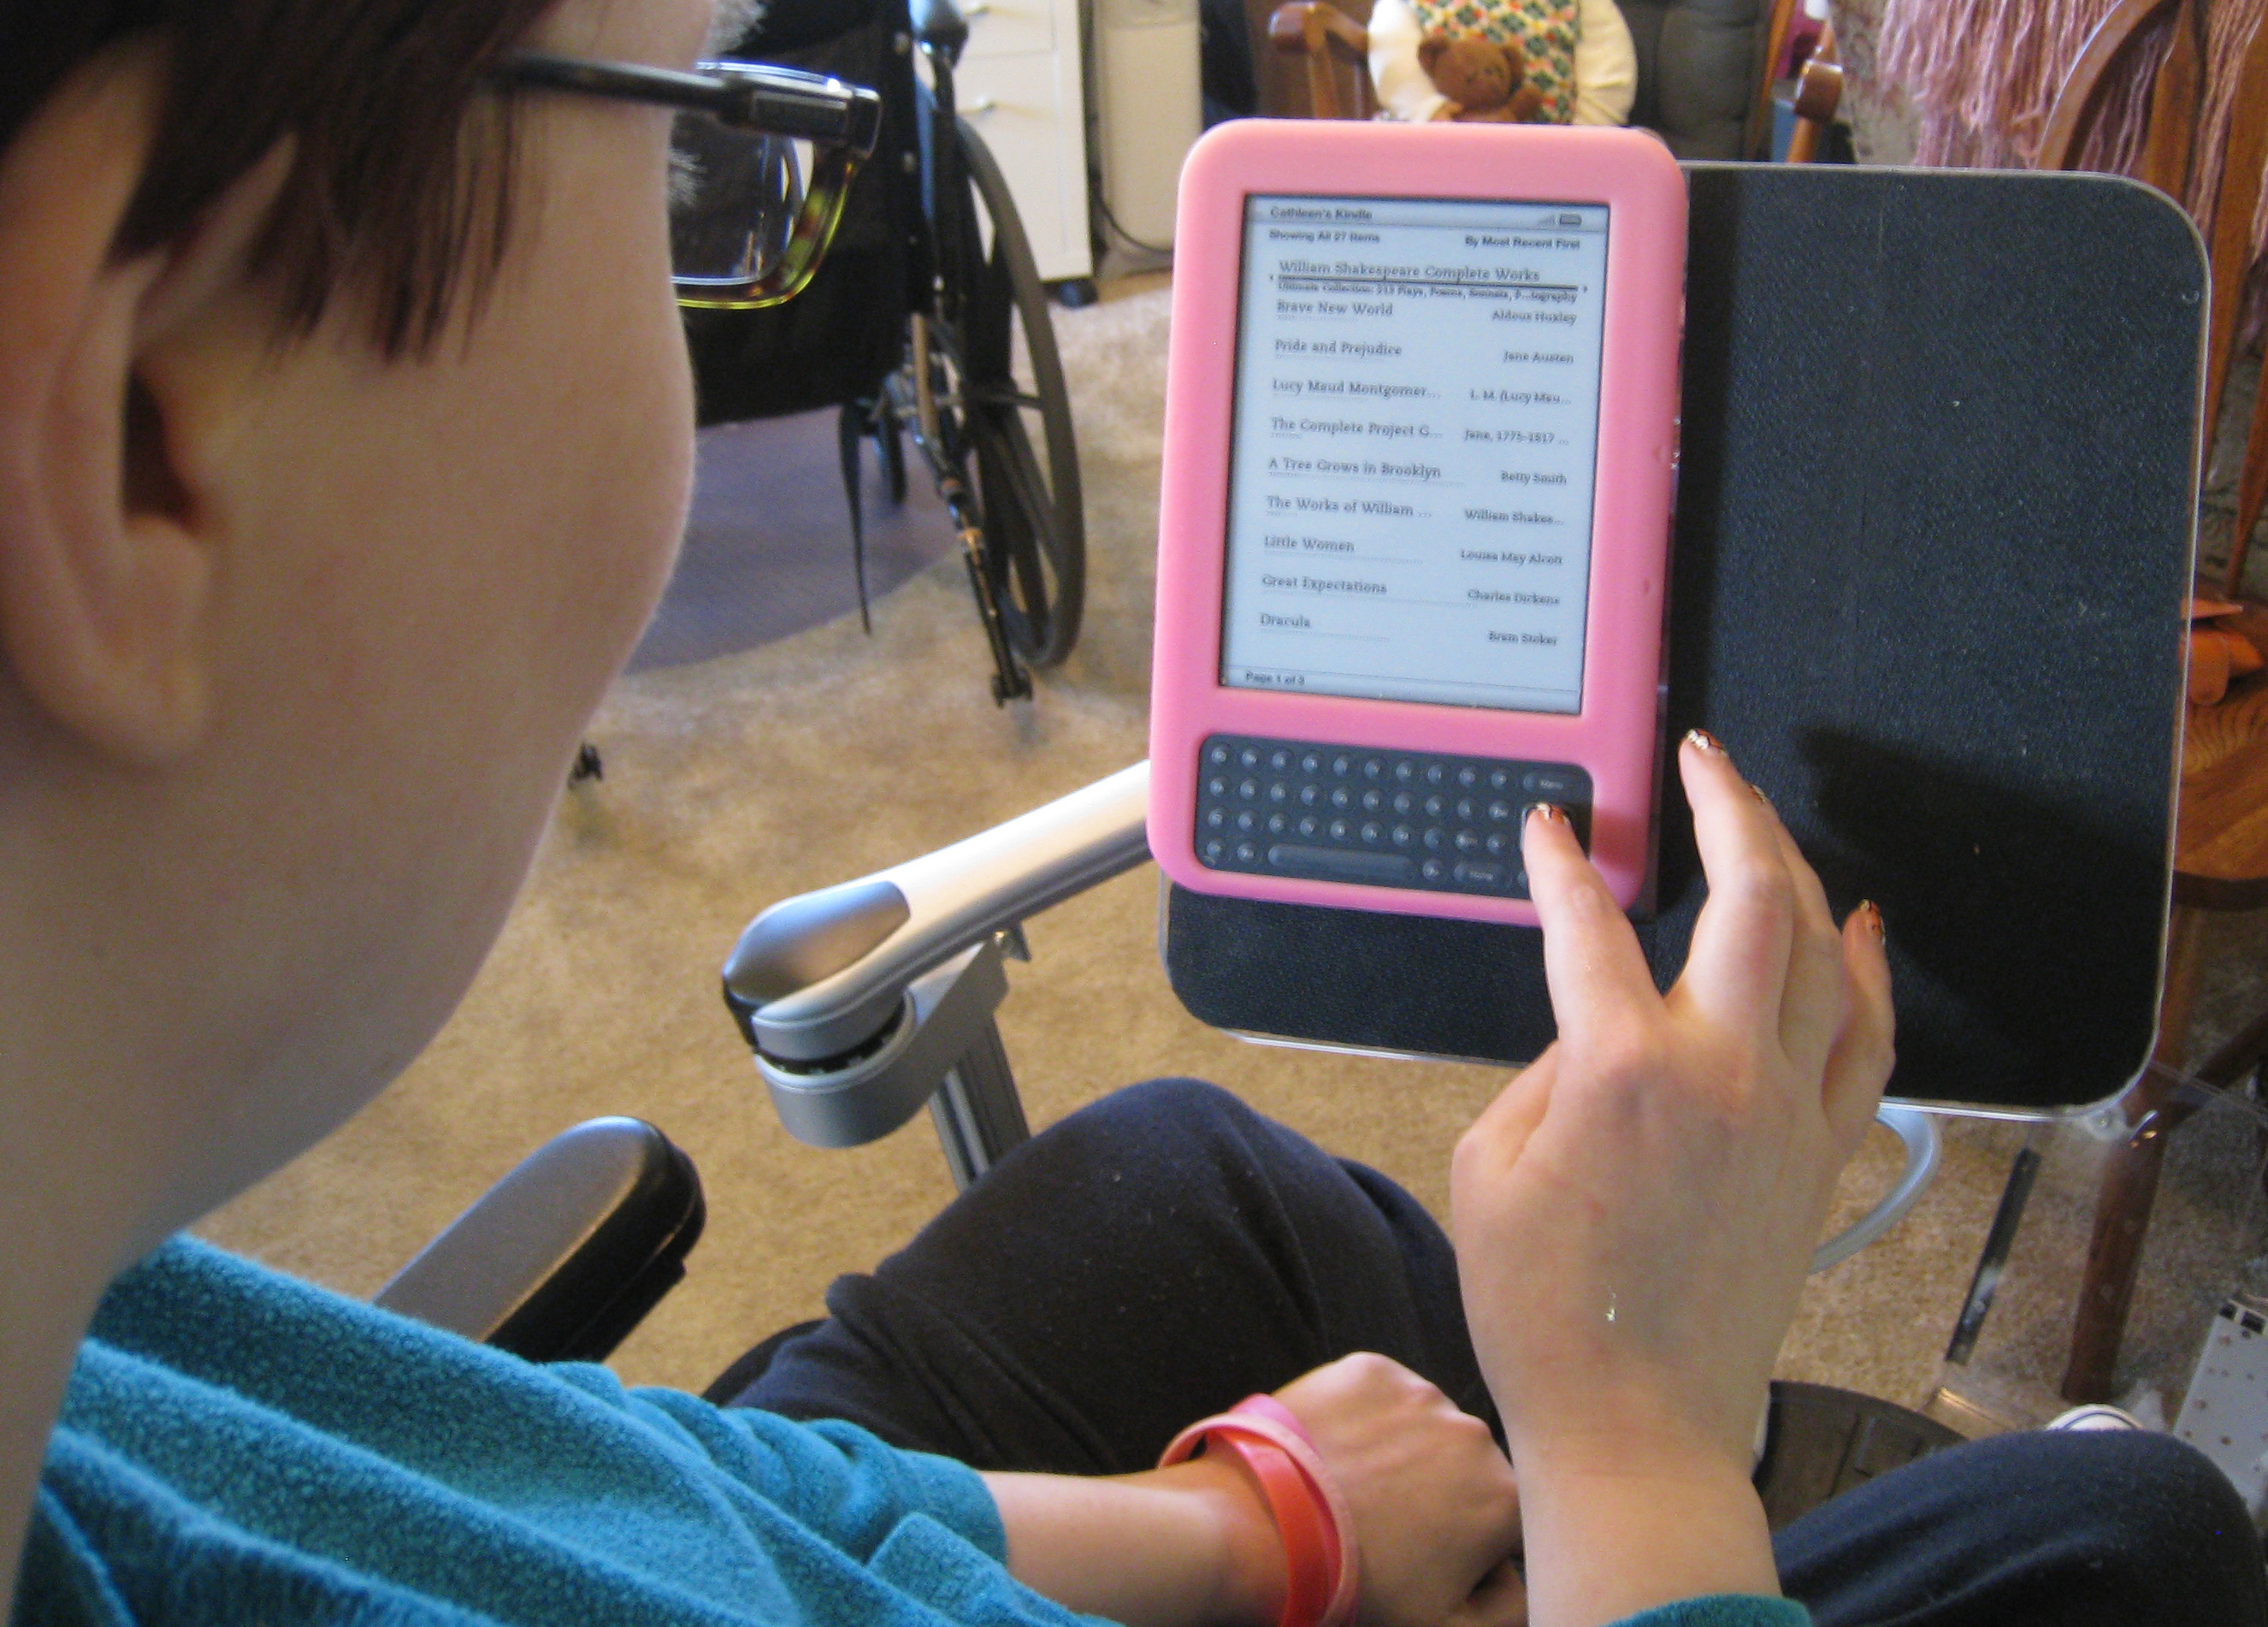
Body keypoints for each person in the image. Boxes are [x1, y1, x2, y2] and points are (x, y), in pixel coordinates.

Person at [0, 1, 2259, 1624]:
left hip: (911, 1529)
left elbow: (579, 1500)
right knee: (2123, 1541)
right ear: (142, 439)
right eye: (683, 155)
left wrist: (1256, 1519)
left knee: (1188, 1176)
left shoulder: (103, 1341)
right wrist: (1635, 1454)